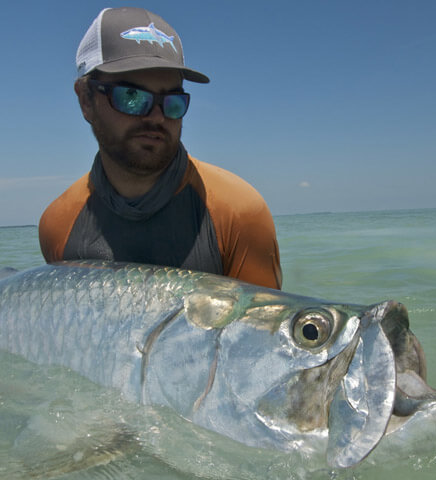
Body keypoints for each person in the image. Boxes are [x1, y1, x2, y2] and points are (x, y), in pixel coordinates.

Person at [39, 7, 282, 290]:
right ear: (86, 100)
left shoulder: (239, 213)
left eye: (173, 101)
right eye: (131, 96)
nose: (156, 117)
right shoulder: (58, 224)